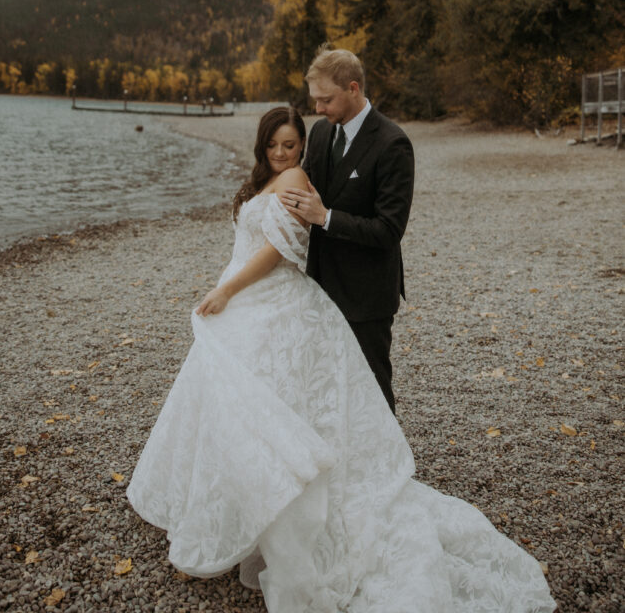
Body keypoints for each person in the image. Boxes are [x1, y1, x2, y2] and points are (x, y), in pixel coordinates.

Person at [127, 106, 555, 613]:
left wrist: (226, 290)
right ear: (262, 146)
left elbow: (279, 251)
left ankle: (277, 519)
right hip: (249, 301)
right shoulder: (266, 178)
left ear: (300, 147)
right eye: (275, 146)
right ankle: (227, 511)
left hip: (269, 299)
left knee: (265, 413)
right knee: (236, 408)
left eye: (291, 145)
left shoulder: (295, 178)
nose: (284, 153)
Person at [281, 46, 413, 412]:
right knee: (327, 384)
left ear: (353, 88)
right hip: (320, 285)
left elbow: (389, 230)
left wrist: (326, 217)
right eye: (315, 100)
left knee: (371, 387)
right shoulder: (322, 135)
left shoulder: (392, 143)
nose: (318, 109)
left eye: (325, 100)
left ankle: (389, 466)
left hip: (367, 293)